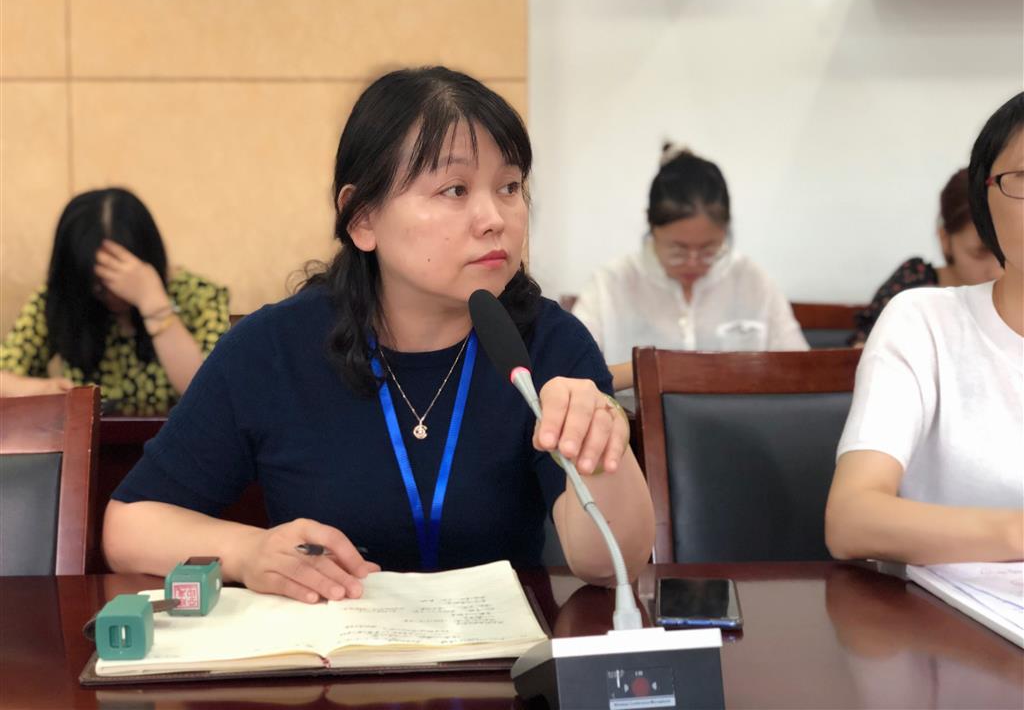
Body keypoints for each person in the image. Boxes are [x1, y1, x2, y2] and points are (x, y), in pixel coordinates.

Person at [102, 67, 656, 603]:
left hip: (504, 658)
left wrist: (597, 448)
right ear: (362, 218)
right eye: (455, 189)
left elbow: (609, 566)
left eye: (510, 186)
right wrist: (247, 553)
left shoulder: (548, 344)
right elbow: (130, 525)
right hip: (328, 655)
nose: (494, 218)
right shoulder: (274, 347)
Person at [825, 92, 1024, 564]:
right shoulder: (923, 322)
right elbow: (851, 518)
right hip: (950, 606)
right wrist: (1015, 534)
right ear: (984, 196)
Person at [572, 145, 808, 391]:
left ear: (725, 231)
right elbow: (572, 377)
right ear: (651, 227)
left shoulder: (752, 280)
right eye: (678, 250)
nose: (693, 262)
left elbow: (803, 370)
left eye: (709, 249)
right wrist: (657, 369)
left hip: (742, 416)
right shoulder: (610, 284)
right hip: (632, 417)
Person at [0, 188, 229, 414]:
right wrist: (42, 389)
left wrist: (153, 303)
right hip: (86, 437)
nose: (110, 291)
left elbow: (212, 394)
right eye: (98, 282)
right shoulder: (63, 297)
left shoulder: (200, 295)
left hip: (176, 436)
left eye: (118, 274)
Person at [850, 168, 1002, 345]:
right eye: (979, 253)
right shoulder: (913, 286)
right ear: (945, 239)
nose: (998, 271)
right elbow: (864, 349)